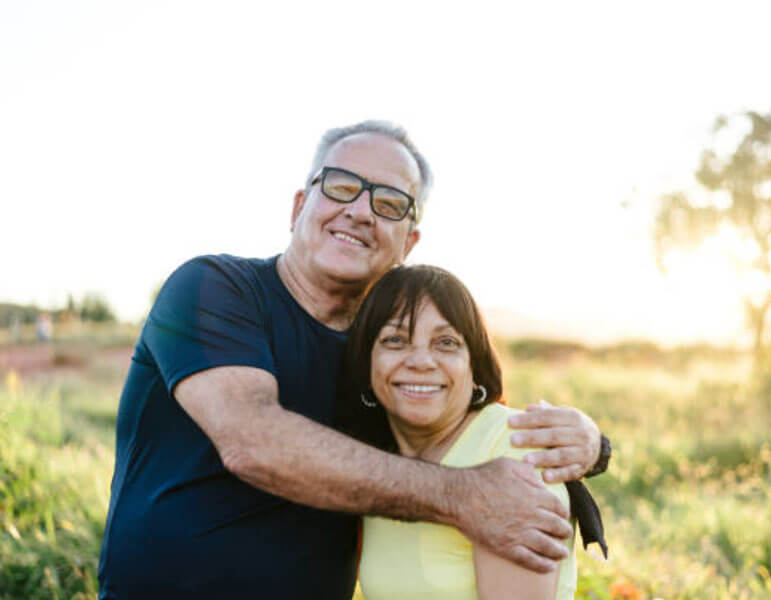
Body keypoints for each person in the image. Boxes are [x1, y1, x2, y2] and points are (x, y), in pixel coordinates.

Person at [98, 121, 608, 599]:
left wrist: (592, 445)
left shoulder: (384, 355)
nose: (361, 212)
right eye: (341, 187)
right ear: (299, 207)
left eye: (390, 203)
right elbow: (253, 442)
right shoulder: (213, 288)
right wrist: (464, 496)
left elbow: (458, 424)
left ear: (408, 242)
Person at [342, 264, 580, 599]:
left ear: (474, 365)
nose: (421, 361)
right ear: (366, 362)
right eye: (395, 340)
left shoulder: (514, 454)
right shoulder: (377, 463)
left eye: (446, 342)